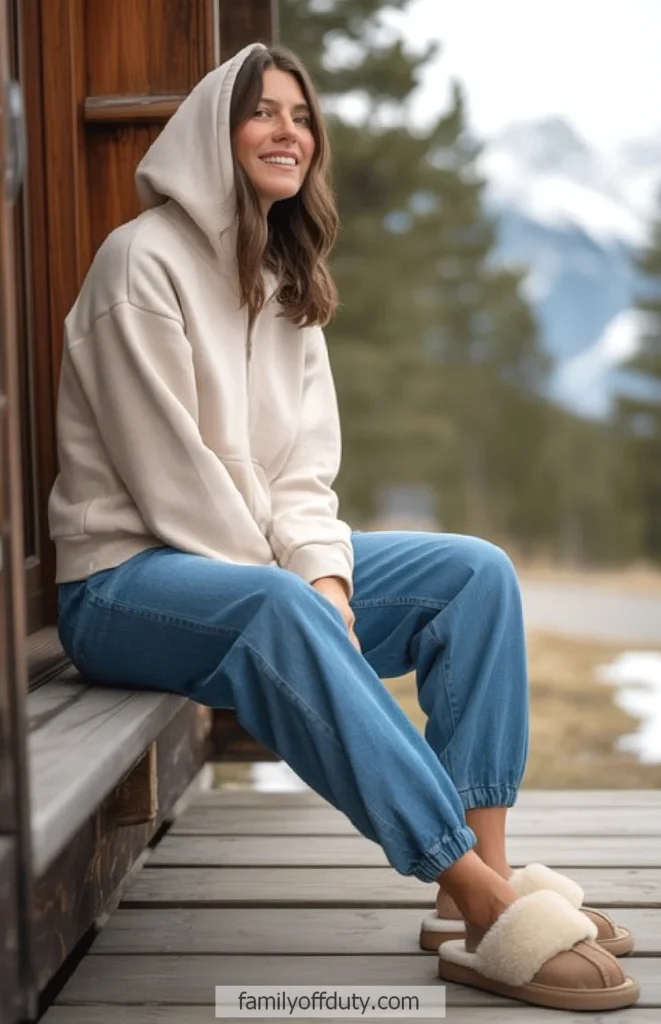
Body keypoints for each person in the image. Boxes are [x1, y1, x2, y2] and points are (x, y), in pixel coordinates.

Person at [48, 42, 638, 1012]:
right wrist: (302, 599)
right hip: (120, 583)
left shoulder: (286, 278)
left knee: (473, 573)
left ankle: (475, 893)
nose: (289, 131)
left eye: (301, 115)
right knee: (277, 606)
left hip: (253, 575)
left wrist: (325, 576)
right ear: (213, 131)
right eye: (263, 112)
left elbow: (299, 476)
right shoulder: (137, 264)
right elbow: (172, 481)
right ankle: (479, 893)